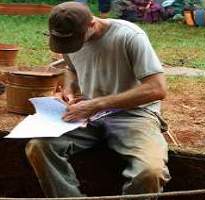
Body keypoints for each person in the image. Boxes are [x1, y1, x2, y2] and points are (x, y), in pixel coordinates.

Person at [25, 1, 170, 198]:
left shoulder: (129, 36)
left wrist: (96, 104)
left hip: (134, 114)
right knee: (38, 146)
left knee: (149, 171)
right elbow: (71, 68)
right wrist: (68, 88)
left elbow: (157, 89)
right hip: (87, 115)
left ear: (92, 24)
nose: (73, 47)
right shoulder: (71, 37)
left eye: (78, 41)